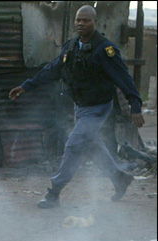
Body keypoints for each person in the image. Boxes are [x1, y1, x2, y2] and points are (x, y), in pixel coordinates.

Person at [8, 5, 145, 209]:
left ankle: (54, 193)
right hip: (81, 107)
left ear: (95, 23)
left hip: (98, 108)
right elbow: (53, 69)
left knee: (73, 145)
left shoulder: (104, 50)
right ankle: (119, 178)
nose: (81, 24)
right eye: (78, 20)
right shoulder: (73, 46)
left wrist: (135, 105)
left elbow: (124, 78)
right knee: (91, 145)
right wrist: (26, 87)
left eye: (86, 20)